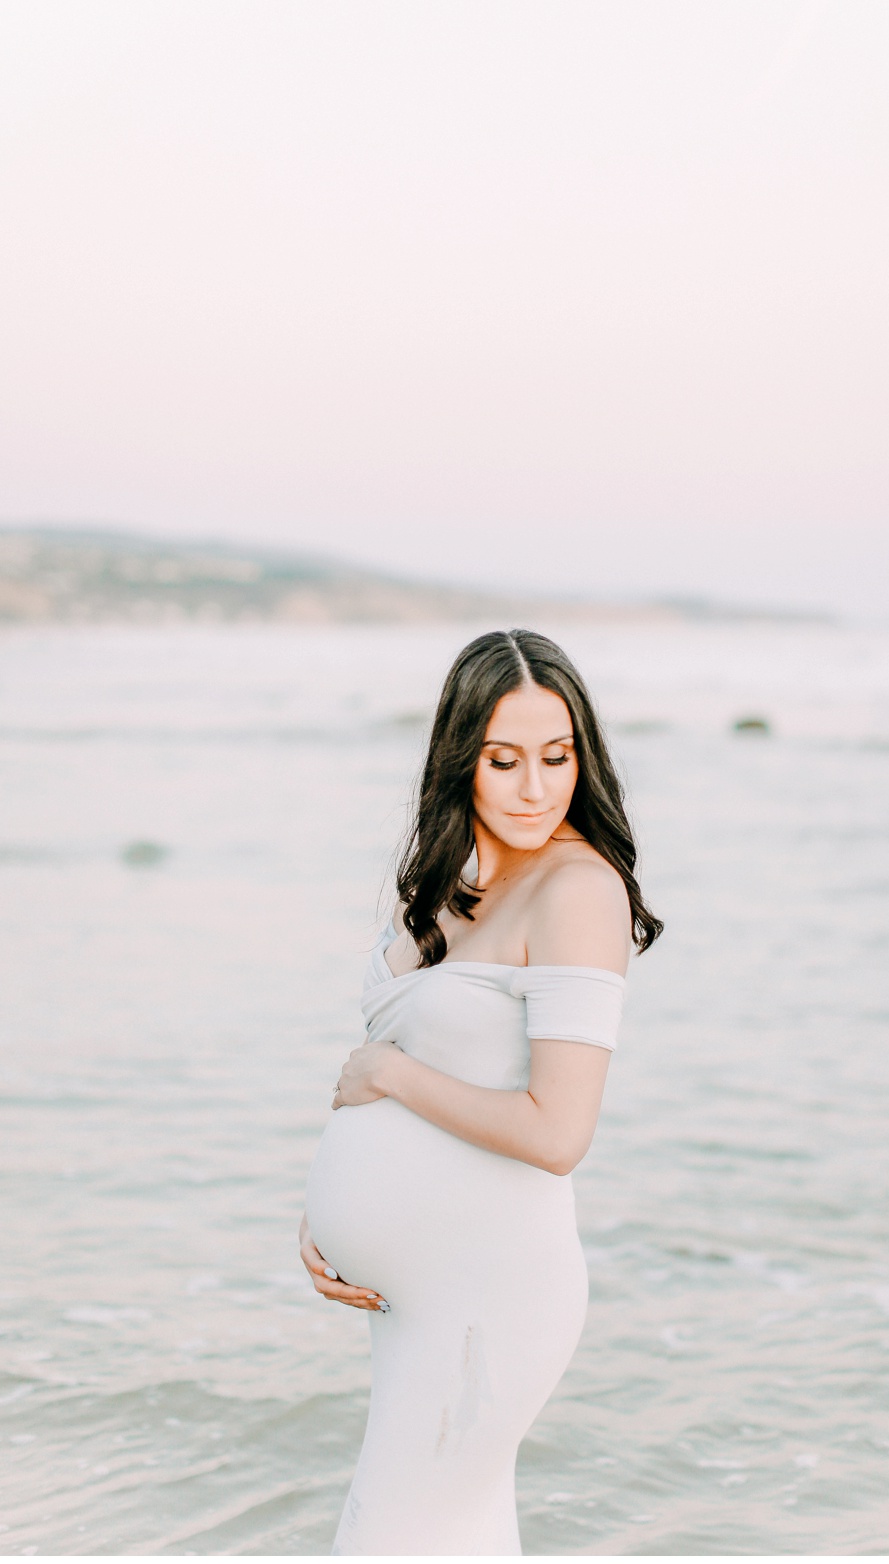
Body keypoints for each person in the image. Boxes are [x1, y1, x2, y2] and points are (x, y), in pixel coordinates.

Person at [300, 628, 662, 1555]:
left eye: (556, 757)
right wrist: (329, 1216)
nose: (535, 789)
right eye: (503, 761)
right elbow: (408, 1053)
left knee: (389, 1538)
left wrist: (388, 1077)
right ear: (460, 758)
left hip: (493, 1291)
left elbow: (558, 1132)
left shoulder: (580, 891)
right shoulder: (448, 882)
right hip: (417, 1291)